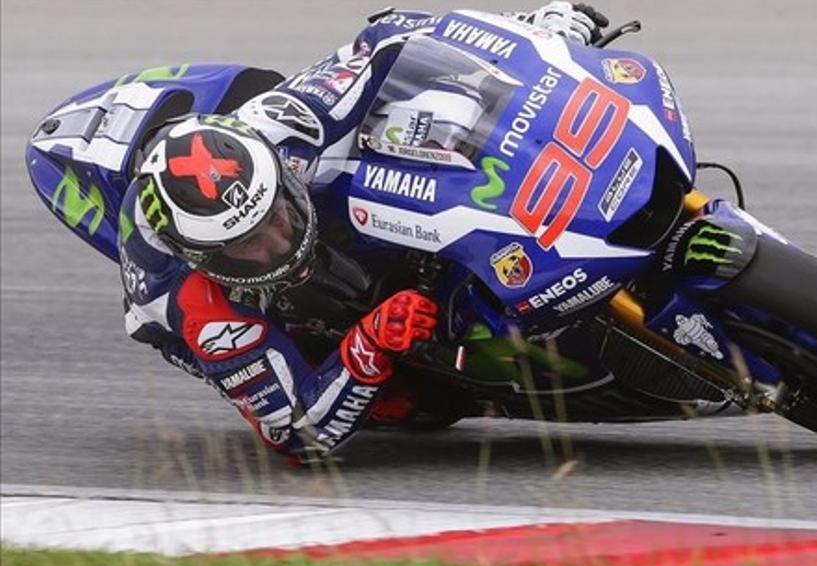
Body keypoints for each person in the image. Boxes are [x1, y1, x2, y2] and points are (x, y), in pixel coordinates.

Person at [118, 4, 610, 465]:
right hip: (232, 321)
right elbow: (298, 436)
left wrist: (536, 34)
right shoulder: (198, 305)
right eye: (249, 245)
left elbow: (392, 35)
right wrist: (368, 345)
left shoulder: (287, 124)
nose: (277, 244)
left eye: (277, 216)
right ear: (203, 257)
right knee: (408, 404)